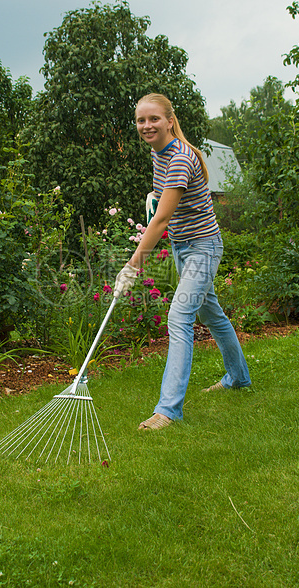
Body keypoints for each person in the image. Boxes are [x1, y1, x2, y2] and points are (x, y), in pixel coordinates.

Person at [114, 93, 251, 431]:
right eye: (141, 121)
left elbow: (159, 222)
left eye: (153, 119)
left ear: (169, 120)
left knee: (179, 316)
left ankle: (168, 410)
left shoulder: (179, 159)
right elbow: (164, 201)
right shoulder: (158, 154)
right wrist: (154, 197)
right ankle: (238, 377)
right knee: (210, 312)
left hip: (203, 247)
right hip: (182, 247)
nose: (147, 126)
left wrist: (132, 266)